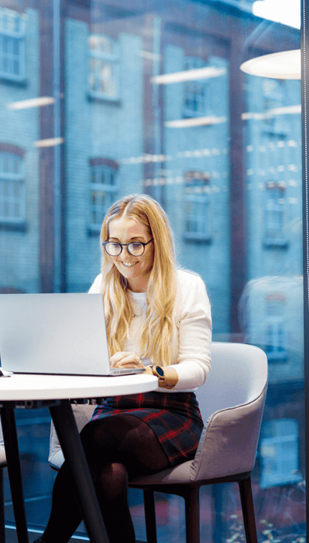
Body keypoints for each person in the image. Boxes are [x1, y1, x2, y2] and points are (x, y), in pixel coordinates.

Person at [34, 193, 212, 543]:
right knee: (109, 475)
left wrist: (149, 372)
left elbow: (199, 368)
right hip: (114, 409)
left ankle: (48, 541)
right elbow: (82, 353)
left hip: (171, 414)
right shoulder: (104, 287)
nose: (123, 257)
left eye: (135, 245)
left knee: (96, 437)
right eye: (114, 245)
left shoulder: (187, 287)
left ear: (155, 242)